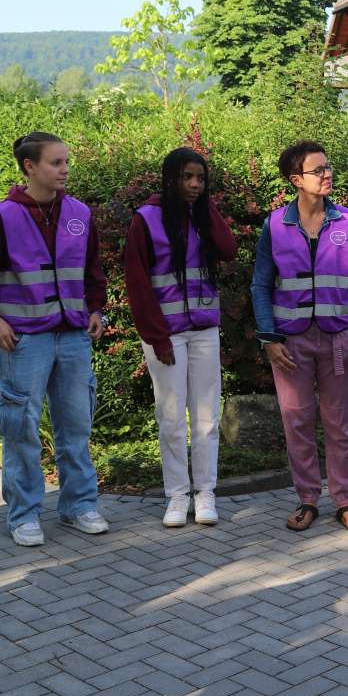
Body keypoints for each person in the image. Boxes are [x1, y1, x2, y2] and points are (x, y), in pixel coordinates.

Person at [0, 133, 108, 547]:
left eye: (65, 162)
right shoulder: (3, 217)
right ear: (30, 167)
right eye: (56, 163)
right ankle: (23, 514)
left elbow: (93, 271)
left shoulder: (79, 212)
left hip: (74, 337)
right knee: (20, 428)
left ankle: (79, 505)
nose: (65, 170)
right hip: (24, 341)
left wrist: (97, 310)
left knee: (76, 425)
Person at [251, 141, 348, 534]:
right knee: (297, 422)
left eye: (328, 167)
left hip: (339, 338)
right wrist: (269, 338)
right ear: (296, 180)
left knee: (339, 424)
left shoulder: (345, 220)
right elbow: (260, 285)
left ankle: (344, 501)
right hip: (290, 343)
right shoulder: (275, 225)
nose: (327, 175)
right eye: (318, 170)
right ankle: (308, 499)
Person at [122, 148, 236, 529]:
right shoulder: (146, 219)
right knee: (170, 417)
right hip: (165, 335)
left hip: (204, 329)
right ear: (170, 178)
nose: (194, 185)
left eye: (201, 179)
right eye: (187, 177)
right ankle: (176, 496)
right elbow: (137, 285)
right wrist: (157, 337)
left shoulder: (202, 216)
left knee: (206, 417)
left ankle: (205, 493)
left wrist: (206, 209)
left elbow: (229, 249)